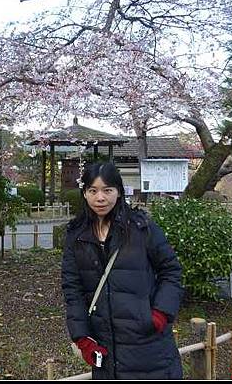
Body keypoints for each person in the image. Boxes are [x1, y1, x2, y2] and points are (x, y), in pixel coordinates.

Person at [61, 162, 184, 379]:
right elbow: (73, 289)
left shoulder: (140, 227)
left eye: (107, 190)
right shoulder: (76, 235)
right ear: (85, 194)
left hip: (149, 346)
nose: (100, 198)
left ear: (118, 192)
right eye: (93, 191)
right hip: (105, 349)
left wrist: (159, 314)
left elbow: (171, 271)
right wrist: (82, 338)